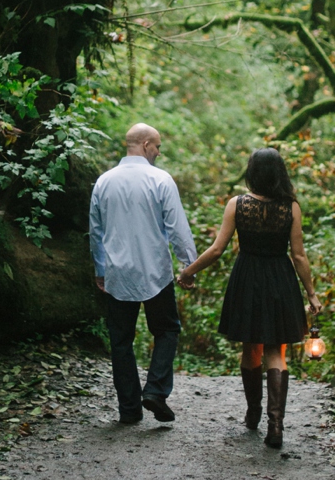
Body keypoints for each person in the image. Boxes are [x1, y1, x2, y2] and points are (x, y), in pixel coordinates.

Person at [177, 147, 320, 448]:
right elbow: (299, 255)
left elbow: (217, 249)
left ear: (252, 173)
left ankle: (253, 412)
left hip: (248, 279)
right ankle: (276, 425)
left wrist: (188, 272)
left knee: (250, 349)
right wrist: (312, 294)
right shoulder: (291, 207)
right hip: (280, 279)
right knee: (275, 352)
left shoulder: (237, 204)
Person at [89, 123, 197, 424]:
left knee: (120, 341)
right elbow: (178, 228)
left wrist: (100, 270)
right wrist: (189, 267)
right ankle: (156, 390)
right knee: (166, 330)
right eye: (158, 147)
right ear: (146, 144)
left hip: (117, 273)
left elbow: (96, 232)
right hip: (155, 273)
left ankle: (129, 410)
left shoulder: (103, 182)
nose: (159, 153)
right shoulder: (161, 180)